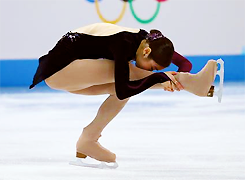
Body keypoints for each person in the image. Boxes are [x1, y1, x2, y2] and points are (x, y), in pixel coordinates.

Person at [30, 23, 220, 168]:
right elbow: (124, 88)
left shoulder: (153, 43)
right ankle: (194, 86)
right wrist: (161, 78)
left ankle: (88, 140)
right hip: (58, 71)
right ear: (146, 52)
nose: (152, 70)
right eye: (153, 67)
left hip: (76, 74)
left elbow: (184, 63)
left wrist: (169, 79)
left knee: (129, 82)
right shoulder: (123, 43)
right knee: (128, 76)